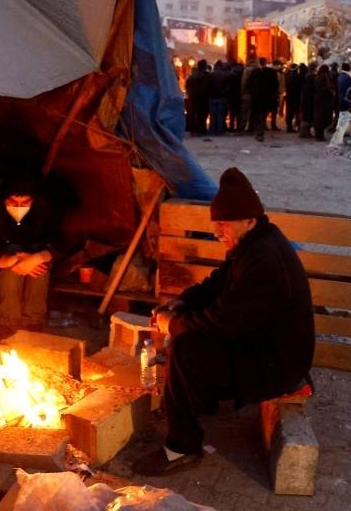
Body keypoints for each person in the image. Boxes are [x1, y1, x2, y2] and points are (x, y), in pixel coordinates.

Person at [133, 167, 314, 476]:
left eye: (222, 224)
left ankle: (182, 447)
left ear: (248, 219)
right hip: (262, 343)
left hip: (278, 363)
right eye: (215, 224)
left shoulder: (265, 259)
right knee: (190, 335)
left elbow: (225, 322)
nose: (217, 232)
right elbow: (221, 281)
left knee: (186, 349)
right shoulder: (254, 242)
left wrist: (173, 324)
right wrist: (184, 300)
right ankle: (195, 405)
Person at [0, 174, 55, 336]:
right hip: (4, 262)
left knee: (39, 270)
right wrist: (6, 260)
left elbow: (59, 242)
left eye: (25, 202)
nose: (19, 207)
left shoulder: (44, 215)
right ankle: (9, 325)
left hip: (36, 255)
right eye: (13, 202)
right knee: (11, 273)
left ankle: (34, 324)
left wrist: (38, 257)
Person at [330, 63, 351, 147]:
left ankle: (338, 136)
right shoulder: (347, 77)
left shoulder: (340, 76)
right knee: (345, 118)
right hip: (347, 100)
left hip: (340, 99)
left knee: (342, 117)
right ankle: (339, 138)